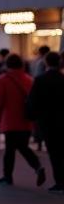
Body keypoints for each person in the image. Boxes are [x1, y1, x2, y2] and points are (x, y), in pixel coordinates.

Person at [0, 54, 46, 188]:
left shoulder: (2, 80)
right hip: (26, 121)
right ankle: (37, 166)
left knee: (10, 150)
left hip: (9, 120)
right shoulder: (29, 79)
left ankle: (7, 176)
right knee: (22, 146)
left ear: (7, 65)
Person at [28, 52, 64, 193]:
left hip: (47, 121)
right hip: (62, 119)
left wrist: (33, 116)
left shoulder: (40, 79)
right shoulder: (62, 78)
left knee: (54, 153)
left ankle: (59, 182)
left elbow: (33, 101)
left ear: (46, 62)